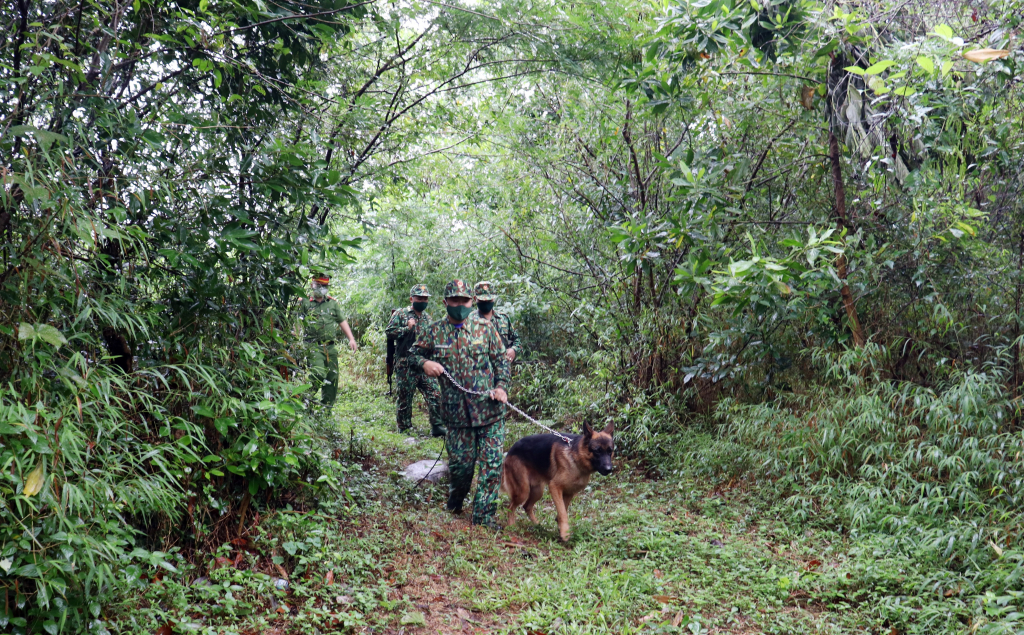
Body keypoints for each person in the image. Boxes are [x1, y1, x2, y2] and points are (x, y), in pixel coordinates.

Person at [408, 279, 509, 529]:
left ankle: (483, 517)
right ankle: (456, 499)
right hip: (457, 415)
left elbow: (501, 361)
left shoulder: (485, 328)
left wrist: (501, 387)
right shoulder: (434, 331)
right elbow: (411, 354)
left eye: (464, 300)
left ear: (471, 302)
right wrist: (424, 363)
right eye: (454, 300)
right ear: (445, 303)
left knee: (492, 466)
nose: (460, 305)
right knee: (462, 468)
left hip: (490, 411)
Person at [385, 284, 445, 438]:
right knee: (405, 397)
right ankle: (404, 429)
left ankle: (438, 427)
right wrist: (406, 328)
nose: (423, 301)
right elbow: (389, 332)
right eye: (420, 298)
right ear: (412, 299)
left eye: (425, 298)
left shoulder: (427, 318)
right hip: (406, 363)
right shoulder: (401, 314)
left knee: (435, 394)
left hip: (423, 364)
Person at [297, 273, 358, 408]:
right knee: (318, 373)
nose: (321, 288)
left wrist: (351, 339)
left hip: (330, 347)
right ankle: (304, 401)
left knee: (332, 377)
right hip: (312, 346)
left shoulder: (332, 303)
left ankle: (326, 410)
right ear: (312, 285)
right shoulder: (304, 302)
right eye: (319, 285)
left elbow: (341, 320)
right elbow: (296, 322)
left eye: (324, 286)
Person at [470, 281, 524, 369]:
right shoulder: (469, 320)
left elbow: (517, 340)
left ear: (494, 298)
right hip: (478, 374)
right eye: (482, 300)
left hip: (503, 370)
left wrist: (513, 350)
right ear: (475, 298)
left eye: (489, 300)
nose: (486, 303)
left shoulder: (503, 319)